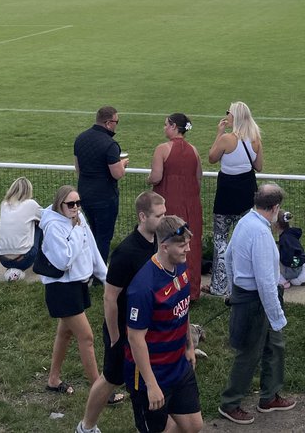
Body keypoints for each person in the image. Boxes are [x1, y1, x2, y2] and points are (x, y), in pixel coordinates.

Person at [75, 191, 165, 433]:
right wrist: (115, 336)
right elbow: (109, 296)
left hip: (148, 327)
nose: (164, 219)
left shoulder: (158, 241)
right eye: (159, 215)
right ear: (142, 216)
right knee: (112, 378)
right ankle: (86, 426)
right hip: (124, 329)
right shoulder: (126, 252)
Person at [218, 184, 296, 424]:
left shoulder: (245, 221)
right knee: (250, 352)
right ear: (274, 207)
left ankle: (269, 396)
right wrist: (277, 316)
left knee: (275, 345)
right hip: (257, 300)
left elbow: (228, 256)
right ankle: (230, 403)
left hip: (248, 294)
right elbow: (265, 282)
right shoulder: (261, 234)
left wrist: (232, 288)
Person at [122, 214, 203, 433]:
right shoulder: (144, 287)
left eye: (188, 244)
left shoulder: (181, 267)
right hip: (151, 374)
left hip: (178, 366)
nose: (187, 250)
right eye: (182, 246)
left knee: (194, 426)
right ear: (165, 247)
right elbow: (135, 338)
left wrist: (189, 346)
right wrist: (151, 385)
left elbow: (183, 307)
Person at [40, 184, 107, 396]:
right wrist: (77, 232)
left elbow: (92, 249)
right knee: (86, 337)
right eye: (70, 204)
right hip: (61, 289)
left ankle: (53, 379)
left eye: (78, 203)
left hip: (77, 284)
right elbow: (63, 261)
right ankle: (99, 391)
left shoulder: (78, 218)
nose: (76, 207)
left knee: (65, 333)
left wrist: (107, 279)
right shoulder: (53, 227)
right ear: (59, 205)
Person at [206, 101, 263, 297]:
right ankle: (244, 282)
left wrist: (219, 133)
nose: (226, 115)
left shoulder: (227, 139)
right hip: (247, 194)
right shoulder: (255, 139)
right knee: (245, 239)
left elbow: (212, 158)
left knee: (221, 239)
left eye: (228, 112)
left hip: (226, 194)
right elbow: (259, 166)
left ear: (235, 117)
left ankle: (220, 285)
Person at [148, 113, 202, 298]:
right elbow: (198, 179)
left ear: (173, 126)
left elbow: (156, 177)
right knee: (190, 245)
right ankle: (191, 289)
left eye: (165, 125)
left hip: (169, 201)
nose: (164, 128)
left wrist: (148, 180)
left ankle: (168, 287)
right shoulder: (194, 150)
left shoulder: (162, 149)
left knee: (168, 243)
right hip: (191, 203)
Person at [73, 106, 128, 261]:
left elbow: (78, 169)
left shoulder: (80, 138)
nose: (117, 125)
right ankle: (99, 273)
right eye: (117, 122)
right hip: (105, 198)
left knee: (93, 233)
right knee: (103, 237)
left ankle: (88, 267)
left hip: (84, 194)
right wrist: (123, 164)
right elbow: (117, 174)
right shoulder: (110, 144)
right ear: (109, 123)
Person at [0, 176, 42, 281]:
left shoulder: (4, 204)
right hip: (25, 259)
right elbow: (44, 218)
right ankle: (41, 261)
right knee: (39, 226)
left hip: (3, 259)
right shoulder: (31, 204)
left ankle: (13, 272)